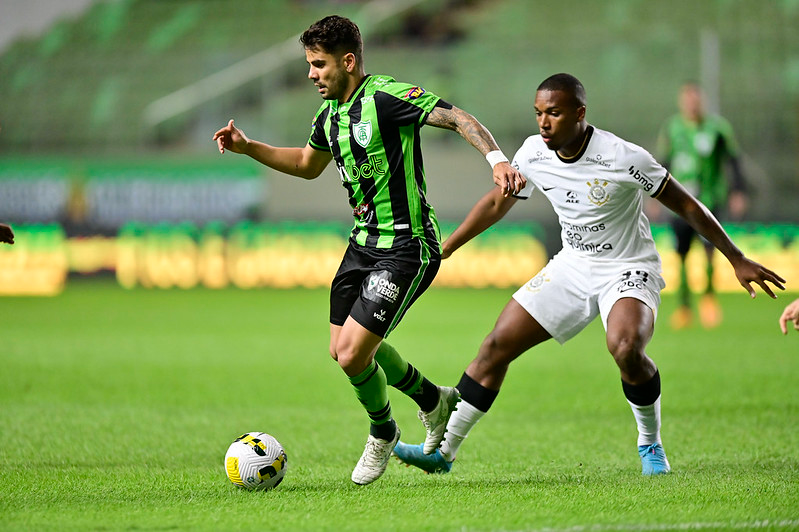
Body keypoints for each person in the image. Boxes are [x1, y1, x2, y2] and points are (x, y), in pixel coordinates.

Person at [393, 73, 785, 476]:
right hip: (573, 265)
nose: (544, 122)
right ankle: (442, 452)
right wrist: (448, 246)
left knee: (626, 347)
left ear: (580, 114)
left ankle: (650, 443)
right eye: (539, 113)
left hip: (628, 266)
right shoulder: (532, 153)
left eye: (555, 113)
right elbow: (496, 203)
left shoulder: (622, 156)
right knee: (496, 346)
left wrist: (736, 258)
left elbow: (686, 204)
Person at [212, 15, 525, 486]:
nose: (312, 74)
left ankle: (383, 431)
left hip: (407, 245)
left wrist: (497, 160)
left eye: (319, 65)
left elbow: (458, 117)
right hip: (362, 245)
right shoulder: (329, 116)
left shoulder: (385, 96)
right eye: (309, 65)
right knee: (341, 352)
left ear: (349, 61)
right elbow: (304, 163)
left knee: (357, 353)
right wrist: (248, 146)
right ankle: (433, 401)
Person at [657, 82, 748, 329]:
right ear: (681, 102)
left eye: (696, 99)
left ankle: (708, 299)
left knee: (710, 253)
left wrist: (738, 191)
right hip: (678, 202)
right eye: (687, 100)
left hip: (708, 201)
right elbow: (662, 163)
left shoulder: (718, 128)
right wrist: (653, 197)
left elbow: (733, 160)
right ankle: (684, 307)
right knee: (681, 256)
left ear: (702, 101)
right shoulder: (672, 128)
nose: (692, 104)